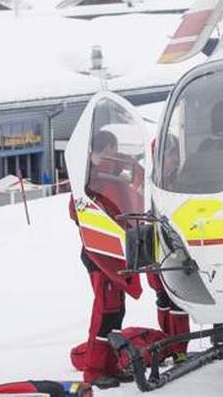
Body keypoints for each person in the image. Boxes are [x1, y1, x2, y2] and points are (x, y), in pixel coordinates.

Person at [71, 128, 143, 388]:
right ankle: (93, 370)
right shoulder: (88, 181)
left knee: (117, 311)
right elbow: (76, 211)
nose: (113, 156)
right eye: (108, 152)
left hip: (117, 254)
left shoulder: (113, 176)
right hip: (99, 256)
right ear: (95, 153)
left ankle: (111, 365)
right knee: (105, 311)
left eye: (115, 151)